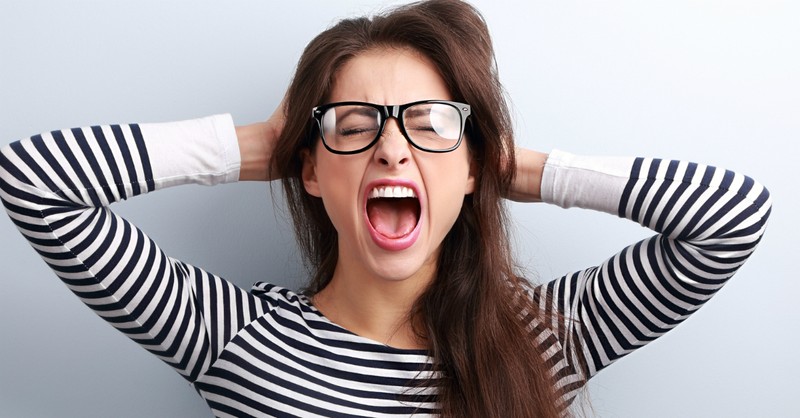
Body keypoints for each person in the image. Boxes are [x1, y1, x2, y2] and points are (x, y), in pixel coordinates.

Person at [0, 0, 772, 417]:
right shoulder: (233, 336)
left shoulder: (543, 337)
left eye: (428, 123)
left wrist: (507, 163)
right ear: (307, 170)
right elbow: (34, 180)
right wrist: (253, 146)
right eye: (356, 124)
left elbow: (729, 218)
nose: (393, 151)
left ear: (475, 171)